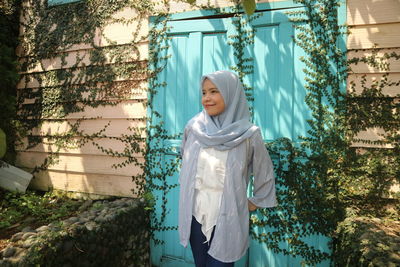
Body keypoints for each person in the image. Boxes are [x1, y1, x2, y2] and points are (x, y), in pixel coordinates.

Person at [178, 70, 277, 267]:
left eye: (214, 91)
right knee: (200, 264)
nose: (207, 98)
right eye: (204, 92)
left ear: (231, 94)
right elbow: (185, 157)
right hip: (195, 214)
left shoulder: (248, 134)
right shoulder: (194, 128)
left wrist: (253, 202)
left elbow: (264, 171)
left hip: (228, 215)